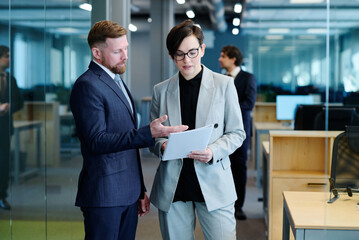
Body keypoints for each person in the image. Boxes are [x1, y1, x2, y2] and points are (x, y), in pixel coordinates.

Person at [69, 20, 188, 240]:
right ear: (97, 52)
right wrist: (148, 133)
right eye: (117, 51)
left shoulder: (116, 80)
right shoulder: (87, 85)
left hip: (128, 191)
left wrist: (140, 188)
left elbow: (127, 146)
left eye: (126, 49)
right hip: (104, 194)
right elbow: (97, 141)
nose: (125, 56)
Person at [149, 19, 246, 240]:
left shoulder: (224, 85)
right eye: (179, 54)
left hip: (214, 180)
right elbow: (152, 138)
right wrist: (162, 146)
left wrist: (213, 151)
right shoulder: (161, 91)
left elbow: (237, 133)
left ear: (202, 49)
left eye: (192, 52)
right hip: (174, 185)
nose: (186, 60)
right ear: (172, 55)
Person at [218, 45, 257, 220]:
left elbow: (249, 103)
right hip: (220, 131)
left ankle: (238, 206)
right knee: (221, 166)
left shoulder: (248, 78)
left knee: (239, 168)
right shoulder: (220, 78)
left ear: (233, 59)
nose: (220, 59)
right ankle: (223, 203)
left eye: (223, 56)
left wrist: (227, 109)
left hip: (240, 130)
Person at [0, 45, 24, 210]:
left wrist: (9, 106)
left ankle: (1, 196)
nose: (9, 59)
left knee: (3, 164)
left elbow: (19, 102)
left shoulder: (11, 78)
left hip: (4, 127)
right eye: (7, 56)